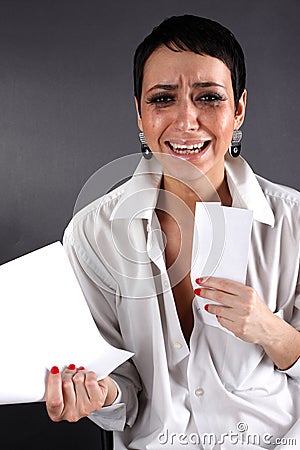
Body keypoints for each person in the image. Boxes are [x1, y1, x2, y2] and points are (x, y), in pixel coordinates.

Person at [46, 15, 300, 449]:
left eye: (208, 97)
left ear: (238, 110)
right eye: (163, 99)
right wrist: (99, 393)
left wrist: (269, 328)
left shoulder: (292, 220)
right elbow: (120, 388)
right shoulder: (94, 233)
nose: (186, 121)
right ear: (140, 114)